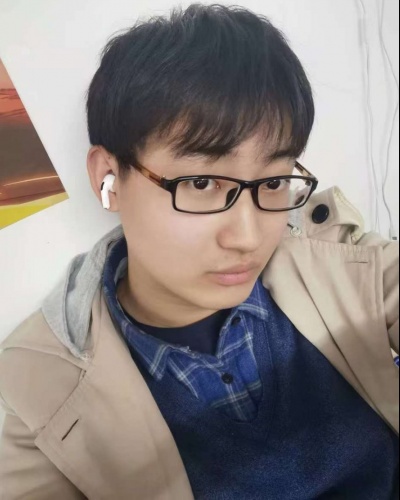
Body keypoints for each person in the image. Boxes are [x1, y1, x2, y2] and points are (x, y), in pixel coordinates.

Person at [0, 3, 398, 499]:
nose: (248, 236)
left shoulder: (338, 259)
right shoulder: (39, 390)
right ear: (109, 180)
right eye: (202, 182)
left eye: (274, 181)